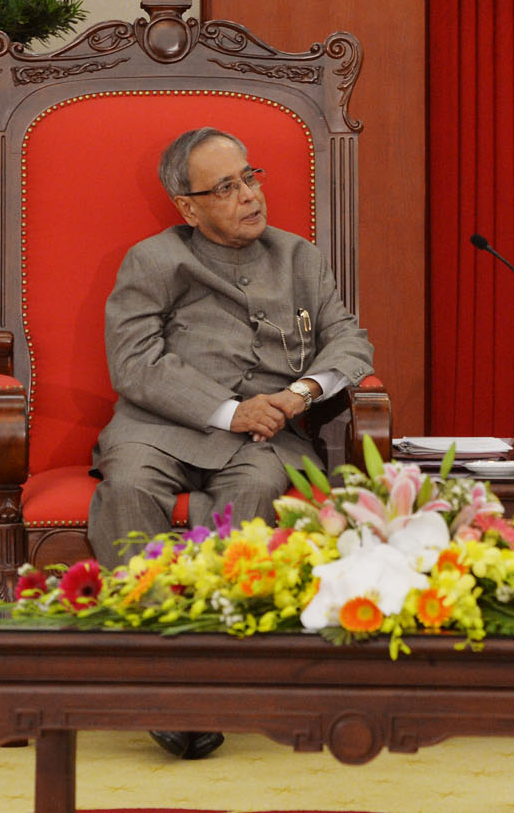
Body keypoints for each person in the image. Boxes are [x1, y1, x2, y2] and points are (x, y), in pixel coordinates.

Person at [88, 126, 375, 759]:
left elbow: (351, 344)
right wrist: (227, 410)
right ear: (188, 208)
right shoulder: (154, 260)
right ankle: (166, 681)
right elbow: (134, 363)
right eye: (226, 187)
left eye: (250, 177)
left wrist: (299, 394)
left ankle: (221, 668)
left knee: (259, 488)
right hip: (159, 427)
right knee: (128, 487)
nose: (249, 195)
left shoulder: (301, 257)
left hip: (268, 434)